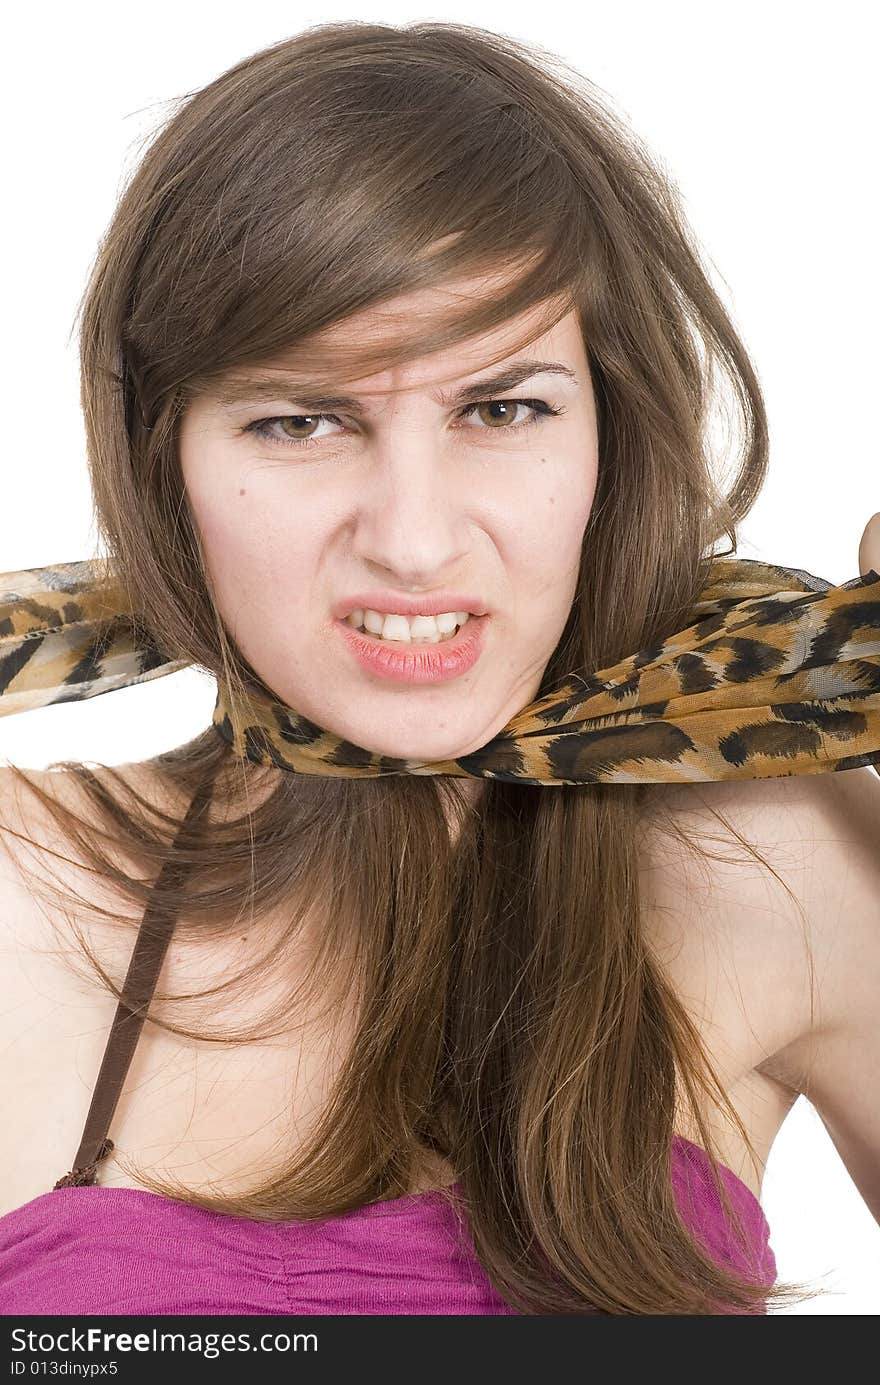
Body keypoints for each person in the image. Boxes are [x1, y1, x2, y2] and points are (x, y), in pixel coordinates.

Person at [1, 20, 878, 1317]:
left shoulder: (774, 861)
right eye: (301, 418)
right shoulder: (25, 889)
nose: (412, 541)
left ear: (609, 437)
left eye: (502, 406)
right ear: (161, 462)